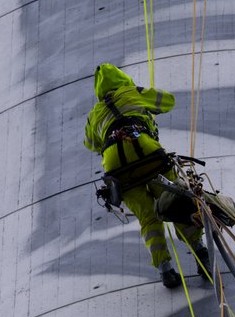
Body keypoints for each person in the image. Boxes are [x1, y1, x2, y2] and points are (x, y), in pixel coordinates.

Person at [83, 63, 209, 288]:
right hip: (145, 150)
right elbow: (167, 101)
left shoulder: (94, 114)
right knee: (176, 202)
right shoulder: (131, 92)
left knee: (148, 218)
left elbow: (91, 144)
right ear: (123, 80)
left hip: (117, 166)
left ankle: (165, 270)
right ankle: (201, 254)